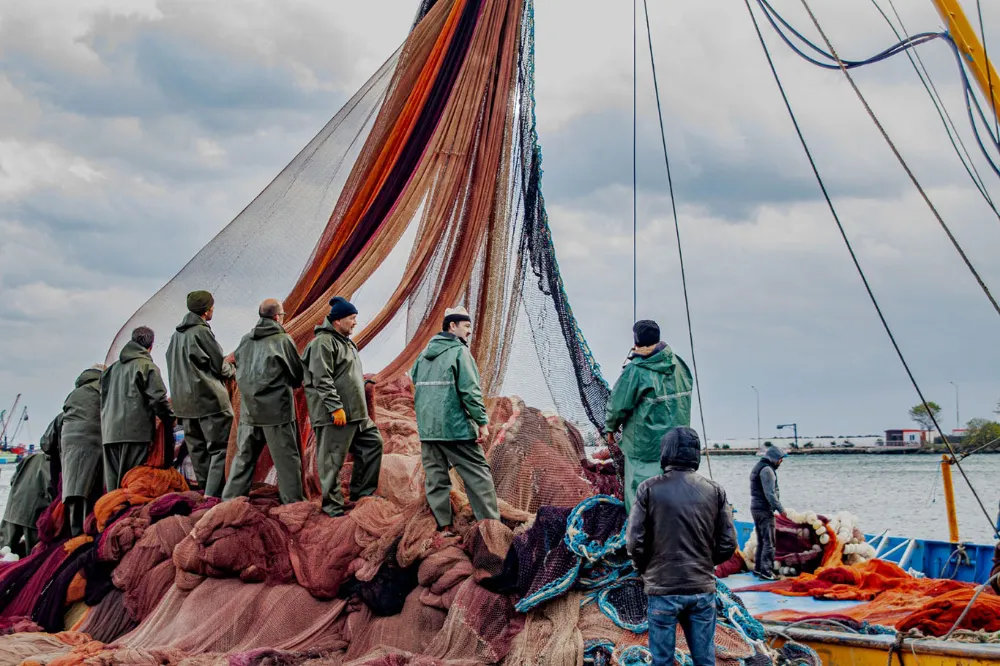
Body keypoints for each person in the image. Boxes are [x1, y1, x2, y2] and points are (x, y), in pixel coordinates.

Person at [626, 427, 737, 666]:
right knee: (705, 660)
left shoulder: (648, 488)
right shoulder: (715, 490)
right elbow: (729, 543)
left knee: (662, 661)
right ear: (695, 454)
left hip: (662, 590)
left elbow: (635, 542)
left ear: (665, 452)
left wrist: (646, 568)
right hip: (701, 588)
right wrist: (706, 562)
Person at [411, 306, 499, 533]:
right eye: (466, 326)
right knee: (479, 477)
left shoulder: (422, 356)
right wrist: (482, 422)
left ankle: (445, 528)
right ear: (452, 326)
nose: (469, 331)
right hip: (456, 428)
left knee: (436, 480)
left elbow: (415, 382)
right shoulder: (460, 353)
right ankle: (491, 529)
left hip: (428, 430)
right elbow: (470, 392)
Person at [302, 297, 383, 517]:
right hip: (336, 415)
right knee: (332, 461)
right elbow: (322, 378)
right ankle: (333, 506)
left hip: (356, 414)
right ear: (338, 320)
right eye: (352, 318)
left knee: (373, 443)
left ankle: (361, 493)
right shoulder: (322, 343)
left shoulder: (347, 343)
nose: (355, 322)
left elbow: (346, 376)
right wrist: (335, 407)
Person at [223, 299, 306, 505]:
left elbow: (238, 367)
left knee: (243, 460)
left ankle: (230, 502)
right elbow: (297, 375)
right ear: (278, 317)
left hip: (250, 411)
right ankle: (293, 505)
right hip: (277, 412)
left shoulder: (245, 340)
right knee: (287, 462)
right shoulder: (282, 340)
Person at [605, 320, 693, 511]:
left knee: (641, 498)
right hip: (680, 447)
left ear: (636, 341)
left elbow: (617, 404)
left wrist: (610, 428)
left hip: (644, 450)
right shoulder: (679, 364)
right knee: (675, 494)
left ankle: (639, 537)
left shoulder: (636, 370)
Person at [166, 290, 236, 498]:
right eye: (212, 306)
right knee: (219, 448)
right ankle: (212, 496)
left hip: (184, 406)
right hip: (208, 400)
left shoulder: (175, 337)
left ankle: (205, 491)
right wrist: (232, 371)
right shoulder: (202, 332)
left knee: (198, 451)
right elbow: (218, 364)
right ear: (206, 310)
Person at [101, 326, 175, 490]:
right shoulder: (147, 367)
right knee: (133, 485)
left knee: (114, 490)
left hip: (109, 435)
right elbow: (158, 400)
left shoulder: (110, 371)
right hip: (135, 434)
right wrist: (170, 418)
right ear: (150, 346)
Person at [61, 365, 104, 536]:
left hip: (69, 447)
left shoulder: (73, 394)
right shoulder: (101, 389)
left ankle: (75, 533)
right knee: (90, 491)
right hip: (92, 443)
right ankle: (86, 535)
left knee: (74, 492)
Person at [0, 437, 54, 557]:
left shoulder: (31, 457)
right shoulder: (55, 464)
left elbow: (13, 480)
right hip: (34, 516)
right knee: (32, 557)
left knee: (3, 550)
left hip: (13, 510)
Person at [749, 444, 787, 580]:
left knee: (761, 540)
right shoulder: (767, 470)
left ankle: (758, 569)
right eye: (780, 459)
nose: (781, 462)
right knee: (769, 542)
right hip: (764, 510)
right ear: (775, 458)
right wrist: (781, 509)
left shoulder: (758, 466)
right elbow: (770, 493)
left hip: (755, 508)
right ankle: (766, 572)